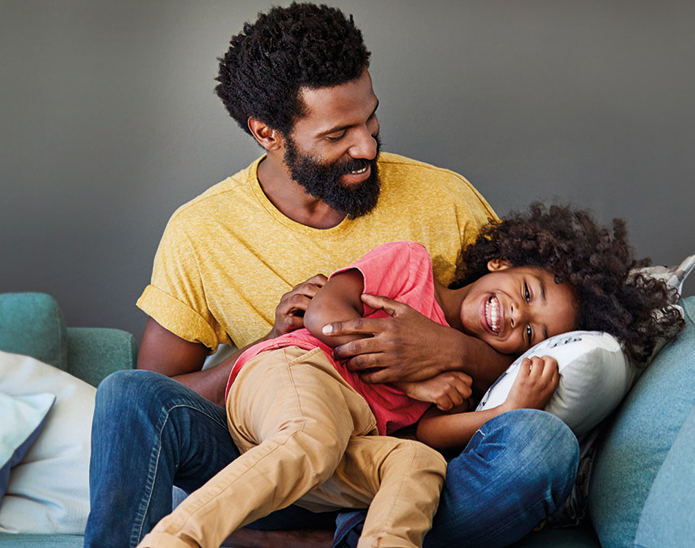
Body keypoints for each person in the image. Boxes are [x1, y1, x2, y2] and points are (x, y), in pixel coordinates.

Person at [87, 2, 566, 548]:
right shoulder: (202, 231)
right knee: (127, 393)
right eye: (338, 134)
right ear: (268, 133)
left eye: (370, 119)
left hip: (392, 464)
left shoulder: (444, 200)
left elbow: (529, 338)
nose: (367, 147)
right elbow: (163, 397)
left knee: (542, 446)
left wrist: (449, 350)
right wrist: (271, 344)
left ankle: (320, 539)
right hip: (266, 461)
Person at [134, 204, 684, 548]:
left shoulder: (465, 373)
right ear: (502, 262)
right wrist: (412, 380)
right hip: (295, 373)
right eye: (526, 292)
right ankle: (178, 539)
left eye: (532, 334)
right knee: (310, 436)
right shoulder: (411, 266)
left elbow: (425, 435)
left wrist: (504, 411)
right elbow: (325, 319)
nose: (517, 315)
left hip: (356, 439)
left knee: (420, 467)